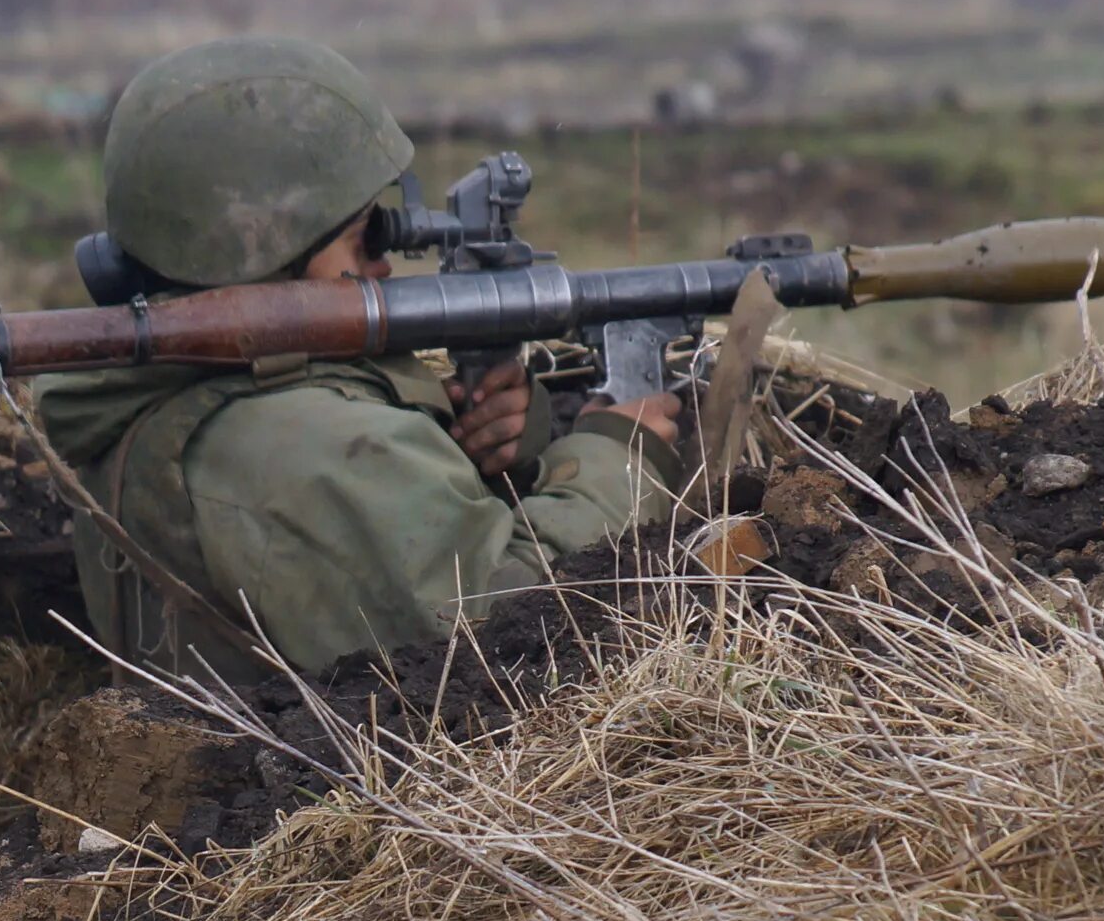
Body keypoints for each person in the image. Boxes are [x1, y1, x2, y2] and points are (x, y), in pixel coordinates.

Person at [38, 36, 680, 680]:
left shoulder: (162, 392)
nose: (383, 262)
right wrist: (616, 458)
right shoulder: (315, 452)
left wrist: (483, 447)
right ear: (270, 258)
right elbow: (521, 626)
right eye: (359, 237)